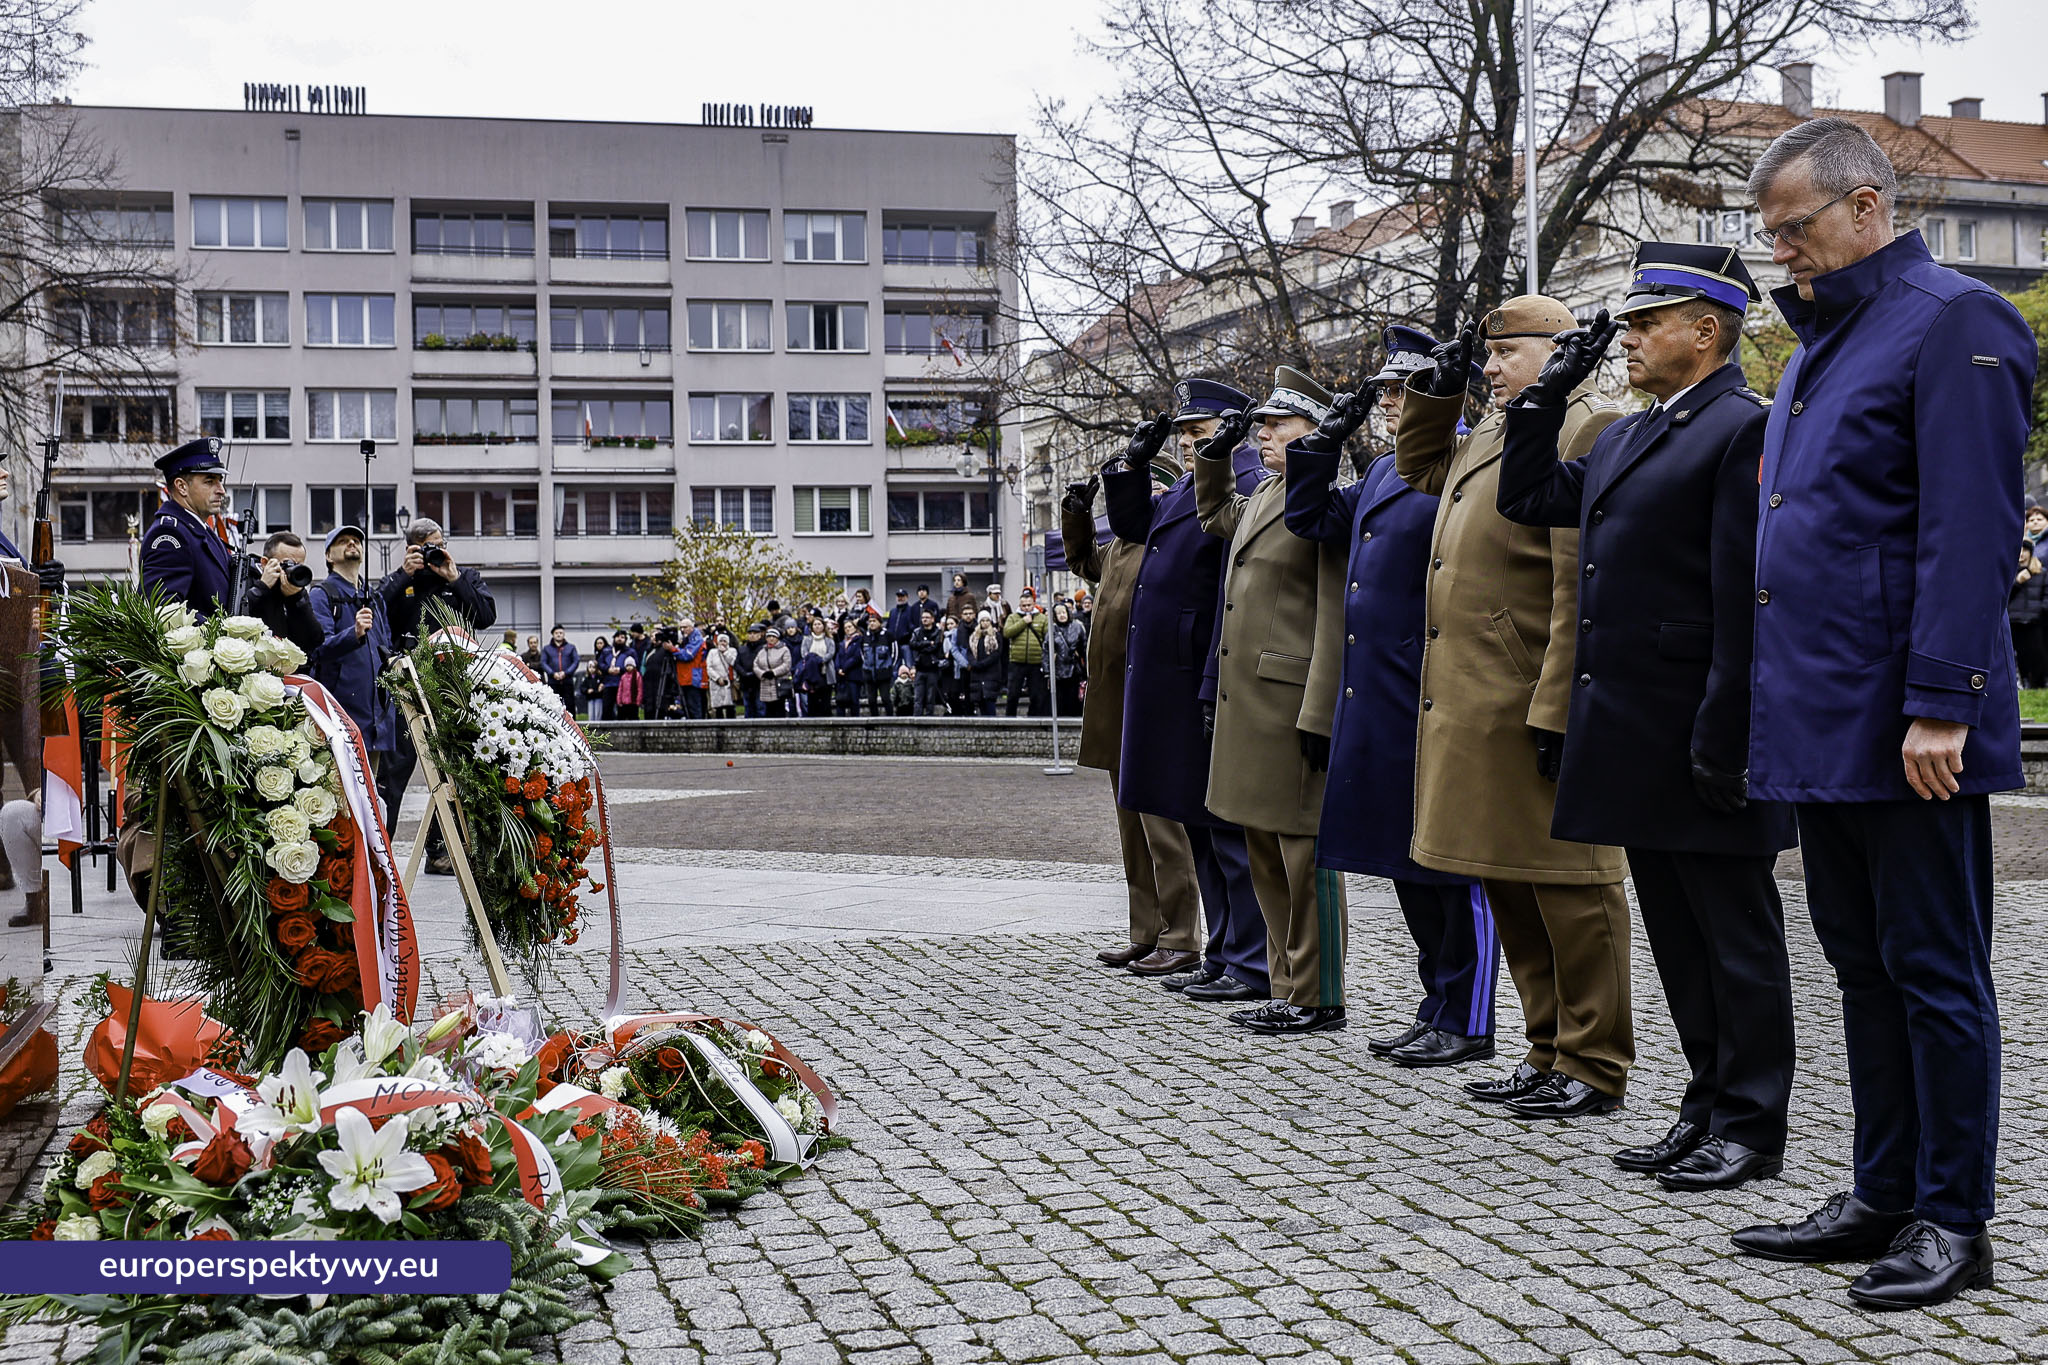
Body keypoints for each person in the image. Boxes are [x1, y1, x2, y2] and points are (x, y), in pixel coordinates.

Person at [1727, 118, 2036, 1309]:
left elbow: (1967, 529)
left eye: (1793, 228)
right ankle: (1880, 1189)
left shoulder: (1953, 319)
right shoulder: (1813, 347)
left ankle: (1953, 1220)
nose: (1782, 254)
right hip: (1823, 714)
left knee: (1934, 970)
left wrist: (1941, 703)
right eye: (1770, 236)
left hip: (1906, 722)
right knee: (1859, 967)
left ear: (1866, 205)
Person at [1496, 243, 1800, 1190]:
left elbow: (1747, 594)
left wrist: (1728, 731)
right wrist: (1552, 389)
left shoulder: (1743, 429)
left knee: (1737, 939)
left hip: (1703, 729)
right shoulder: (1625, 434)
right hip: (1634, 730)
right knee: (1678, 932)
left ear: (1706, 331)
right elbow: (1529, 494)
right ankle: (1704, 1105)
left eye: (1643, 322)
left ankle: (1752, 1124)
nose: (1625, 336)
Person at [1397, 296, 1630, 1120]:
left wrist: (1559, 704)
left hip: (1530, 692)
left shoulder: (1584, 425)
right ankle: (1544, 1048)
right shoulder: (1504, 425)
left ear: (1560, 349)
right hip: (1475, 698)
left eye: (1508, 354)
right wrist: (1440, 383)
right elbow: (1421, 469)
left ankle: (1594, 1058)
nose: (1492, 368)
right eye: (1487, 357)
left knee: (1571, 883)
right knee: (1507, 879)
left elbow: (1578, 585)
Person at [1286, 325, 1499, 1068]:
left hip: (1432, 691)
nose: (1385, 401)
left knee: (1450, 867)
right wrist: (1324, 443)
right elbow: (1311, 519)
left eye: (1398, 389)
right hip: (1377, 693)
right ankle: (1436, 1002)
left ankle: (1470, 1018)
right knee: (1405, 863)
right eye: (1379, 392)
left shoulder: (1462, 457)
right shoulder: (1381, 470)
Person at [1103, 381, 1271, 1005]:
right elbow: (1132, 527)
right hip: (1170, 675)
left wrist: (1210, 676)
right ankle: (1224, 950)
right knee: (1193, 817)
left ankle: (1247, 956)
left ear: (1230, 429)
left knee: (1223, 825)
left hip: (1201, 668)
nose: (1188, 441)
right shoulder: (1186, 482)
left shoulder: (1247, 478)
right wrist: (1129, 466)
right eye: (1184, 433)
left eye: (1198, 432)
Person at [1195, 366, 1352, 1035]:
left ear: (1315, 432)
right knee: (1264, 848)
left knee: (1303, 855)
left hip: (1292, 704)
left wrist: (1320, 711)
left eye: (1276, 424)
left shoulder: (1329, 499)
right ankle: (1286, 983)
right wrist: (1212, 454)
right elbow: (1214, 515)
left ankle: (1319, 992)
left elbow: (1330, 613)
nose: (1262, 434)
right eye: (1260, 425)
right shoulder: (1266, 494)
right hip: (1251, 705)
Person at [1061, 402, 1204, 979]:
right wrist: (1077, 509)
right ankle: (1145, 930)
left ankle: (1181, 934)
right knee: (1131, 823)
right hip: (1117, 697)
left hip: (1149, 695)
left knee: (1164, 828)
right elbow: (1082, 561)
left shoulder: (1160, 545)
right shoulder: (1123, 547)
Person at [377, 515, 497, 857]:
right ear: (411, 548)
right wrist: (404, 574)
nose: (436, 553)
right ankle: (381, 850)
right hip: (407, 686)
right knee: (395, 772)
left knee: (454, 769)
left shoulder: (463, 576)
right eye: (427, 547)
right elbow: (376, 610)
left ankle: (442, 850)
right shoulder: (402, 581)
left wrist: (455, 578)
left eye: (440, 545)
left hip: (451, 686)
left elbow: (486, 616)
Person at [305, 525, 397, 770]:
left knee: (370, 795)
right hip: (342, 715)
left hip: (376, 719)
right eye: (343, 541)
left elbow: (385, 649)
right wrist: (353, 633)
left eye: (356, 540)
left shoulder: (374, 598)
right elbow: (317, 649)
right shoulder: (321, 595)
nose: (352, 544)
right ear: (328, 556)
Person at [138, 437, 234, 619]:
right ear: (181, 486)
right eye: (209, 481)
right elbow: (163, 610)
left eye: (220, 480)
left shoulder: (199, 530)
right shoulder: (170, 534)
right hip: (194, 647)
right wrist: (222, 634)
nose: (221, 489)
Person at [239, 530, 326, 656]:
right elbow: (235, 622)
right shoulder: (244, 580)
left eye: (299, 565)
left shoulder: (295, 590)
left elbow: (314, 641)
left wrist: (296, 599)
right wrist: (262, 587)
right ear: (264, 563)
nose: (293, 570)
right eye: (288, 564)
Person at [2010, 543, 2048, 689]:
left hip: (2034, 621)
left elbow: (2046, 595)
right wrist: (2017, 582)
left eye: (2024, 550)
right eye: (2018, 549)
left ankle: (2039, 683)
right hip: (2014, 620)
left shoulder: (2041, 573)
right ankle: (2023, 681)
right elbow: (2004, 597)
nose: (2021, 553)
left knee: (2038, 654)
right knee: (2019, 655)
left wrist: (2039, 611)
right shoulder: (2011, 574)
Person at [1002, 600, 1049, 716]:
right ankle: (1010, 719)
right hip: (1017, 661)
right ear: (1019, 606)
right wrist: (1023, 622)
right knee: (1013, 694)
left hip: (1036, 662)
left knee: (1036, 695)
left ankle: (1034, 718)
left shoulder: (1042, 618)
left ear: (1033, 605)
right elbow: (1007, 633)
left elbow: (1047, 638)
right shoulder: (1013, 617)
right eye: (1024, 606)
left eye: (1029, 605)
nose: (1026, 608)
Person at [1048, 601, 1087, 718]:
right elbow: (1047, 650)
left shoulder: (1077, 627)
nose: (1062, 615)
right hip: (1058, 670)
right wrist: (1047, 672)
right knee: (1060, 701)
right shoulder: (1052, 630)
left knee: (1073, 699)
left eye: (1064, 612)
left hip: (1074, 669)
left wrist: (1086, 669)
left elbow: (1083, 648)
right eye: (1058, 613)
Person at [909, 610, 947, 714]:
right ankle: (916, 720)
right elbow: (912, 645)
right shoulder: (917, 631)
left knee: (930, 698)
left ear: (933, 619)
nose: (924, 619)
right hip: (920, 668)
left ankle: (929, 720)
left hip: (932, 668)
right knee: (918, 698)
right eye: (923, 617)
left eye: (927, 617)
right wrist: (927, 643)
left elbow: (934, 647)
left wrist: (921, 646)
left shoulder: (937, 632)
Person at [860, 614, 896, 716]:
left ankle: (890, 719)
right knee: (871, 700)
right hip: (869, 672)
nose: (871, 623)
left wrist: (889, 666)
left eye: (874, 621)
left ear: (880, 623)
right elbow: (862, 652)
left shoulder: (888, 635)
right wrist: (866, 664)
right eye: (870, 621)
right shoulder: (865, 636)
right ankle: (874, 720)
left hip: (884, 672)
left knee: (885, 698)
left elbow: (895, 652)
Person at [753, 625, 793, 717]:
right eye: (769, 636)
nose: (771, 639)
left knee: (779, 709)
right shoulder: (762, 651)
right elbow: (755, 664)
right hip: (765, 683)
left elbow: (787, 665)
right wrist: (762, 673)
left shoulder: (784, 650)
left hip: (779, 683)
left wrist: (774, 672)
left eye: (773, 637)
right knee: (768, 710)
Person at [675, 618, 708, 719]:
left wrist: (673, 649)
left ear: (691, 627)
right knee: (689, 708)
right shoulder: (686, 639)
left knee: (695, 708)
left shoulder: (696, 639)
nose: (682, 630)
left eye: (685, 627)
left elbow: (687, 655)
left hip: (693, 679)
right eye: (681, 627)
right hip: (686, 678)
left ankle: (698, 731)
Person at [541, 626, 579, 711]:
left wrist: (566, 672)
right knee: (553, 705)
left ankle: (572, 723)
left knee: (570, 705)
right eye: (556, 633)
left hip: (567, 681)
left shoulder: (571, 647)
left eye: (561, 633)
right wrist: (552, 673)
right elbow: (543, 663)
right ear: (553, 635)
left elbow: (576, 661)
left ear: (564, 634)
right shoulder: (547, 649)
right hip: (553, 681)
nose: (559, 635)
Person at [833, 619, 865, 714]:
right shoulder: (843, 642)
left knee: (854, 700)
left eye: (850, 627)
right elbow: (838, 656)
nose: (847, 629)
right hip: (842, 676)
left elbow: (856, 657)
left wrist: (845, 668)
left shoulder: (860, 640)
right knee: (840, 701)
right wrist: (838, 668)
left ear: (855, 628)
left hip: (854, 674)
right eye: (845, 628)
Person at [735, 623, 765, 717]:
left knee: (760, 708)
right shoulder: (742, 649)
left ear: (760, 635)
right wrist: (744, 673)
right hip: (746, 682)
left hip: (759, 682)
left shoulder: (764, 648)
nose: (752, 635)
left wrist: (754, 673)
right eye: (750, 633)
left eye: (755, 633)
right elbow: (736, 664)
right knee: (748, 708)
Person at [706, 632, 739, 718]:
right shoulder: (712, 652)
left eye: (725, 641)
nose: (722, 643)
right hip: (716, 683)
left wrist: (725, 653)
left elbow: (733, 663)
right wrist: (717, 678)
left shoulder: (732, 651)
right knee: (718, 708)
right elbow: (709, 667)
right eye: (721, 641)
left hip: (729, 682)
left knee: (730, 708)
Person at [614, 655, 644, 720]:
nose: (629, 667)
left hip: (633, 702)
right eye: (627, 666)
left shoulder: (637, 676)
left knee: (633, 717)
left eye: (630, 665)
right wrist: (619, 700)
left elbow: (639, 689)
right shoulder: (623, 677)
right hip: (624, 702)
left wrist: (638, 701)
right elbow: (620, 689)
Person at [580, 656, 606, 722]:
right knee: (591, 714)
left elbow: (603, 685)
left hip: (598, 697)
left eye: (593, 667)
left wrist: (601, 687)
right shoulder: (586, 678)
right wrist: (587, 690)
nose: (591, 669)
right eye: (590, 667)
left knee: (598, 714)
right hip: (590, 698)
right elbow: (582, 687)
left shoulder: (599, 677)